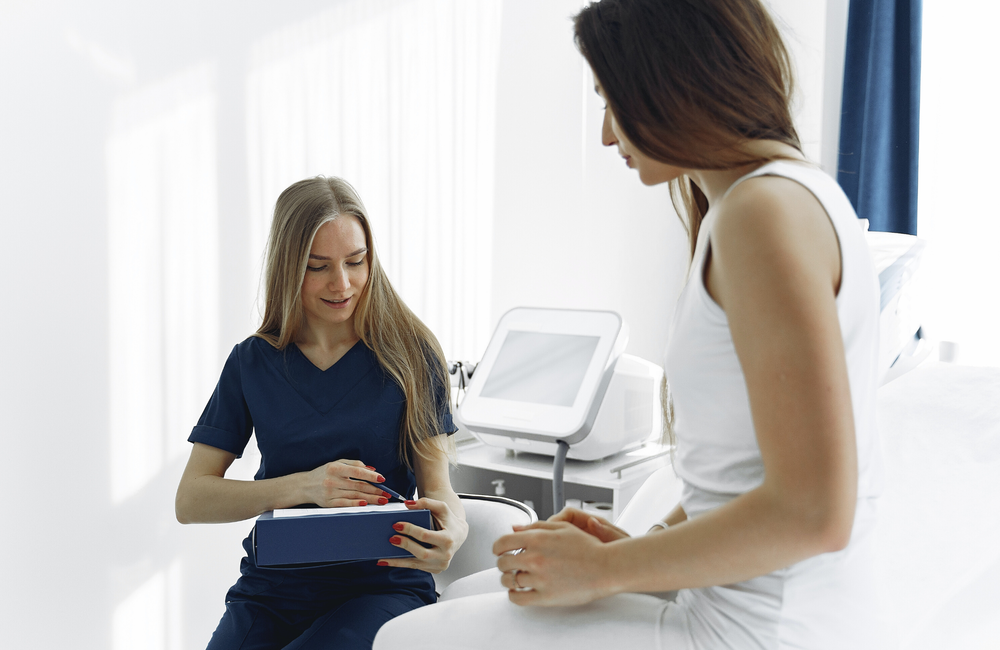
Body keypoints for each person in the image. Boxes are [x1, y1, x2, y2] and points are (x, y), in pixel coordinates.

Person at [373, 0, 886, 648]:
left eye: (610, 102)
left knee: (404, 638)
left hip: (757, 632)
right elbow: (739, 476)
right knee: (479, 592)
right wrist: (643, 547)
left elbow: (815, 512)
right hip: (738, 608)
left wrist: (606, 569)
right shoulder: (767, 200)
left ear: (670, 82)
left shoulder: (763, 214)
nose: (607, 136)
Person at [175, 176, 468, 650]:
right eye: (318, 267)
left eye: (356, 261)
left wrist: (454, 529)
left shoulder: (412, 354)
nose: (343, 283)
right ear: (289, 268)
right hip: (272, 590)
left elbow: (440, 492)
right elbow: (190, 500)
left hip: (381, 587)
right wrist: (305, 486)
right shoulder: (252, 362)